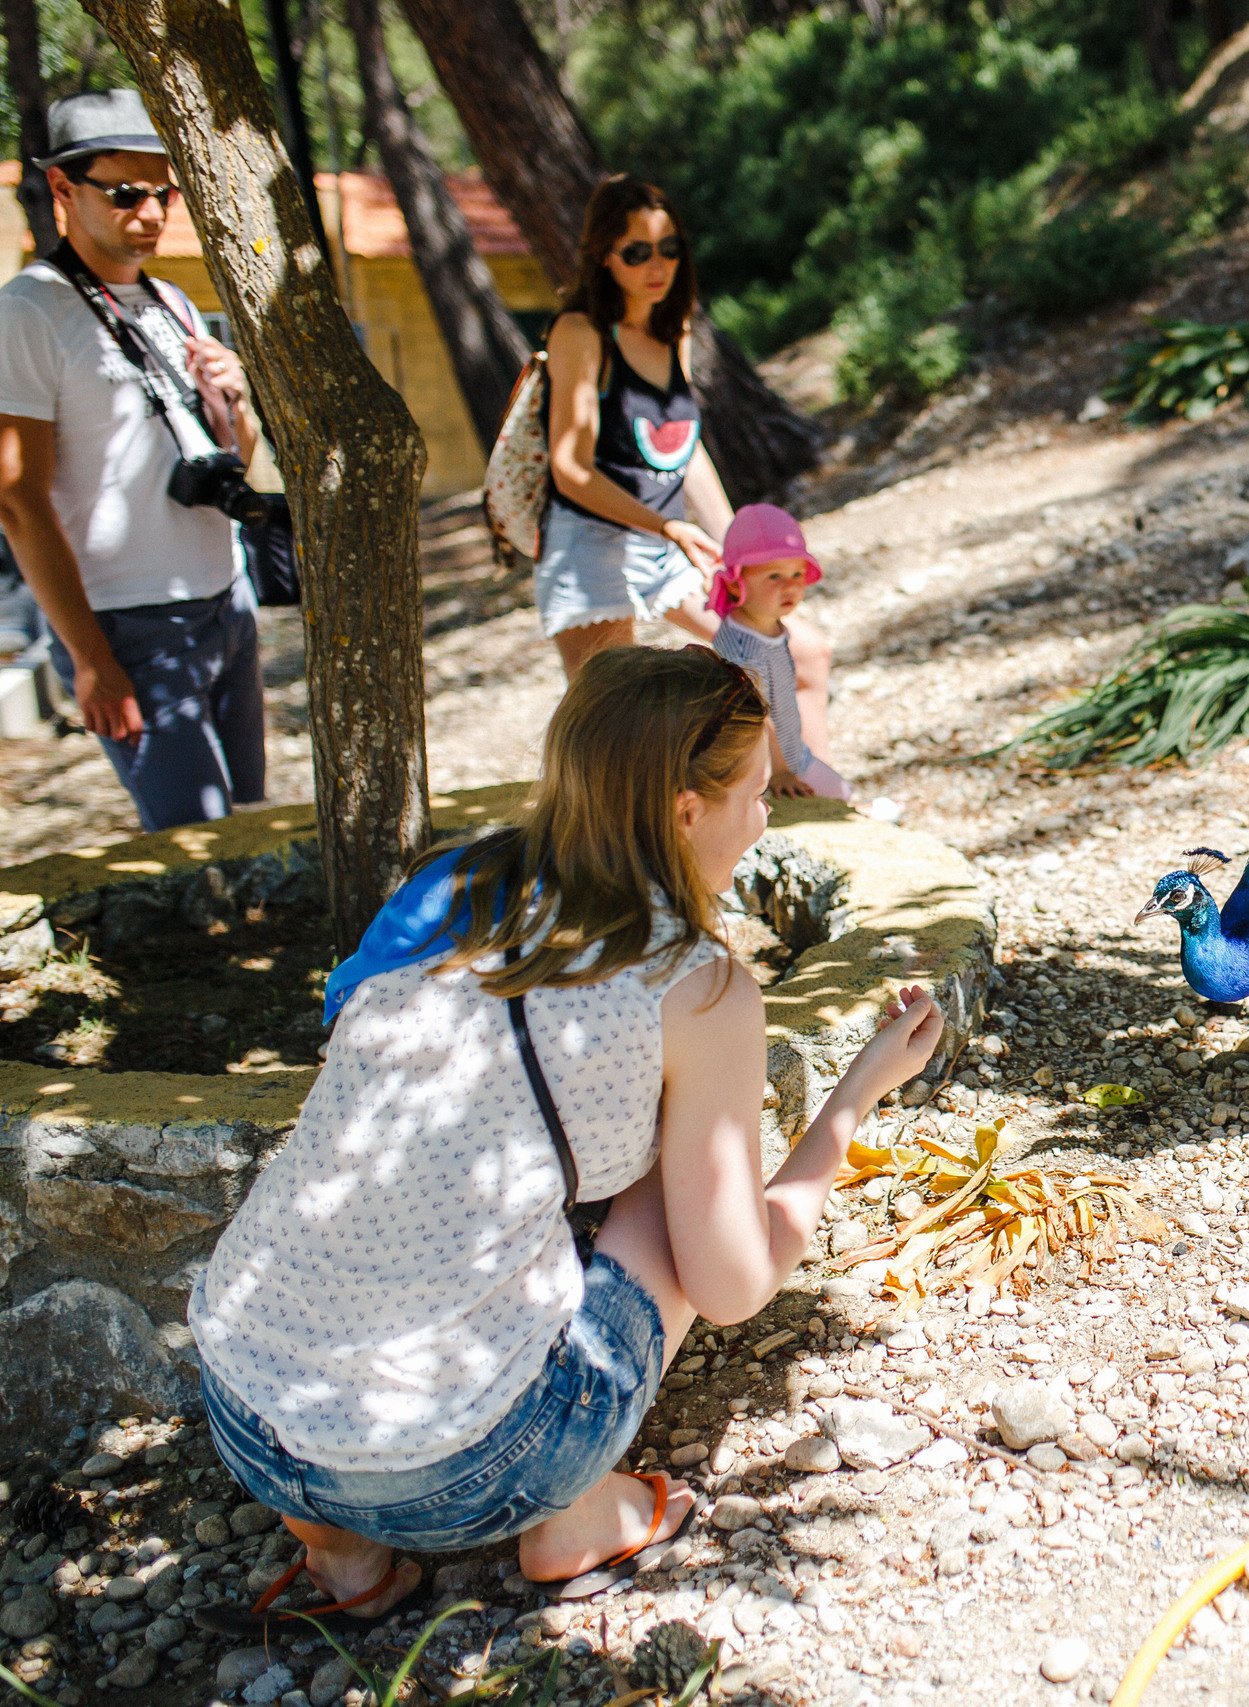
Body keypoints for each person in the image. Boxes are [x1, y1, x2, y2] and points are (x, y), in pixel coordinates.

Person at [187, 646, 943, 1624]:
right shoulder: (696, 986)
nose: (765, 819)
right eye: (757, 795)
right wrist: (854, 1096)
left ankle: (342, 1555)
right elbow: (732, 1285)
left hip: (244, 1411)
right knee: (673, 1185)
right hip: (459, 1471)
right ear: (685, 810)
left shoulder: (459, 883)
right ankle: (575, 1517)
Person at [0, 90, 265, 830]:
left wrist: (236, 401)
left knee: (251, 831)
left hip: (226, 600)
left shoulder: (170, 300)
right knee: (200, 842)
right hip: (128, 623)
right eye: (125, 194)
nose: (150, 214)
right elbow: (17, 499)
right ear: (62, 188)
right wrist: (89, 657)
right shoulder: (28, 311)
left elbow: (231, 460)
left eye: (163, 194)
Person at [537, 176, 829, 726]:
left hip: (668, 545)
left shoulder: (675, 327)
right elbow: (571, 468)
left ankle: (800, 777)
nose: (658, 265)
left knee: (800, 657)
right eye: (637, 252)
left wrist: (737, 546)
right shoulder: (580, 332)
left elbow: (681, 447)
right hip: (590, 545)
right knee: (611, 724)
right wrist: (669, 527)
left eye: (669, 248)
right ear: (603, 255)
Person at [710, 504, 846, 800]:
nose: (790, 586)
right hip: (762, 766)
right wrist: (779, 771)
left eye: (797, 573)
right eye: (774, 576)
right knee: (836, 796)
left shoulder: (765, 623)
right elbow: (756, 715)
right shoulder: (742, 650)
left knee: (841, 792)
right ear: (735, 585)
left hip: (793, 751)